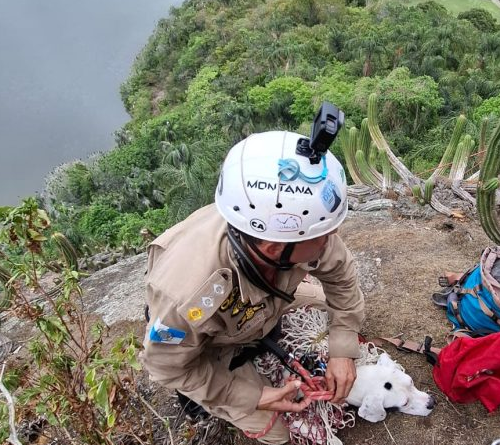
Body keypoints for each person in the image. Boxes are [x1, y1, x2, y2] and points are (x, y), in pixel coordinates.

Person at [140, 130, 365, 444]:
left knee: (332, 308)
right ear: (275, 248)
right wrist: (254, 395)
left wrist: (343, 350)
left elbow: (342, 277)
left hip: (266, 299)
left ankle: (267, 336)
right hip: (213, 341)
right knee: (279, 433)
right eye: (324, 235)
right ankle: (213, 399)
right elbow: (167, 368)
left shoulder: (294, 232)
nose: (331, 239)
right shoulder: (188, 294)